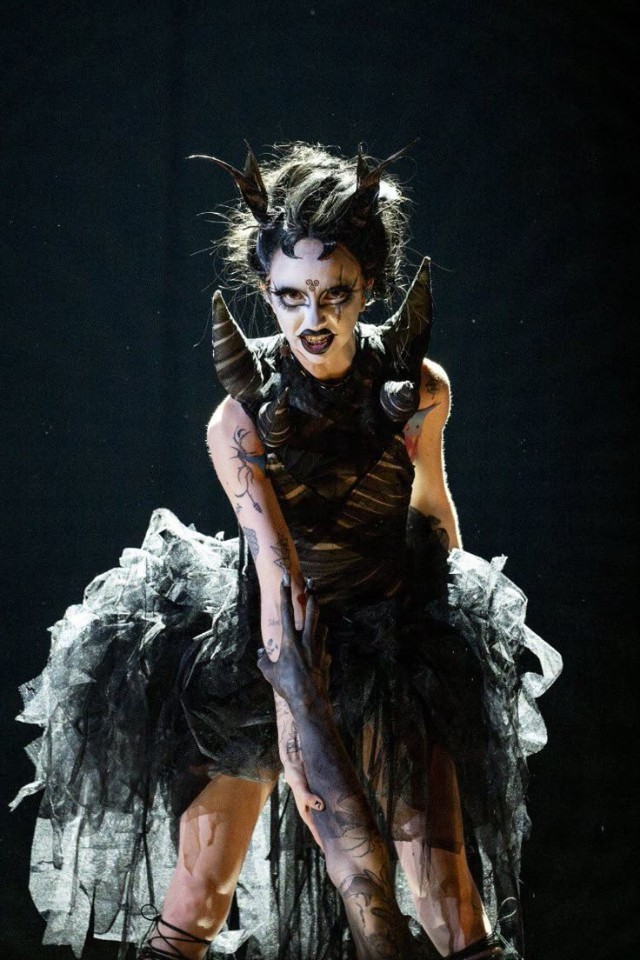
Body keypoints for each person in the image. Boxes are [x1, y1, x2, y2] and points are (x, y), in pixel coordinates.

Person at [13, 142, 562, 960]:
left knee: (446, 896)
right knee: (201, 896)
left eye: (334, 294)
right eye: (290, 297)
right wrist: (314, 756)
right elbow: (279, 584)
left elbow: (430, 504)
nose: (313, 319)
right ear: (265, 291)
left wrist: (454, 651)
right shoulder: (239, 418)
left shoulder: (421, 387)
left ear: (368, 286)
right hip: (266, 648)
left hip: (389, 638)